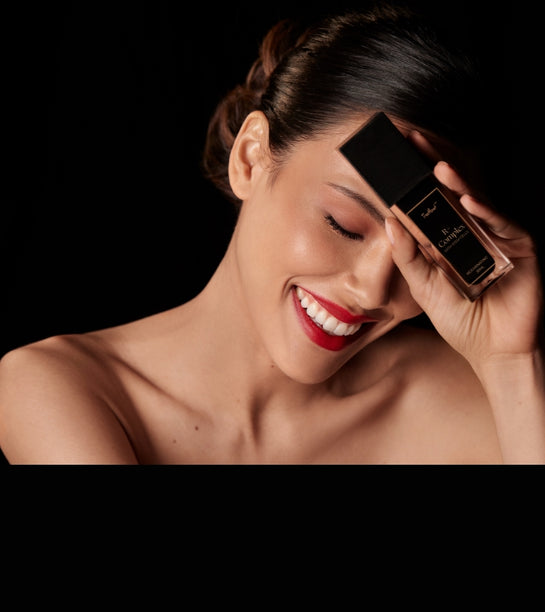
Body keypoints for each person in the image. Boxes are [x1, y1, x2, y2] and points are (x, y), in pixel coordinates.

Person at [0, 2, 543, 464]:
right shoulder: (59, 389)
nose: (374, 289)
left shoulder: (469, 396)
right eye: (343, 224)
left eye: (418, 254)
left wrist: (512, 366)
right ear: (251, 158)